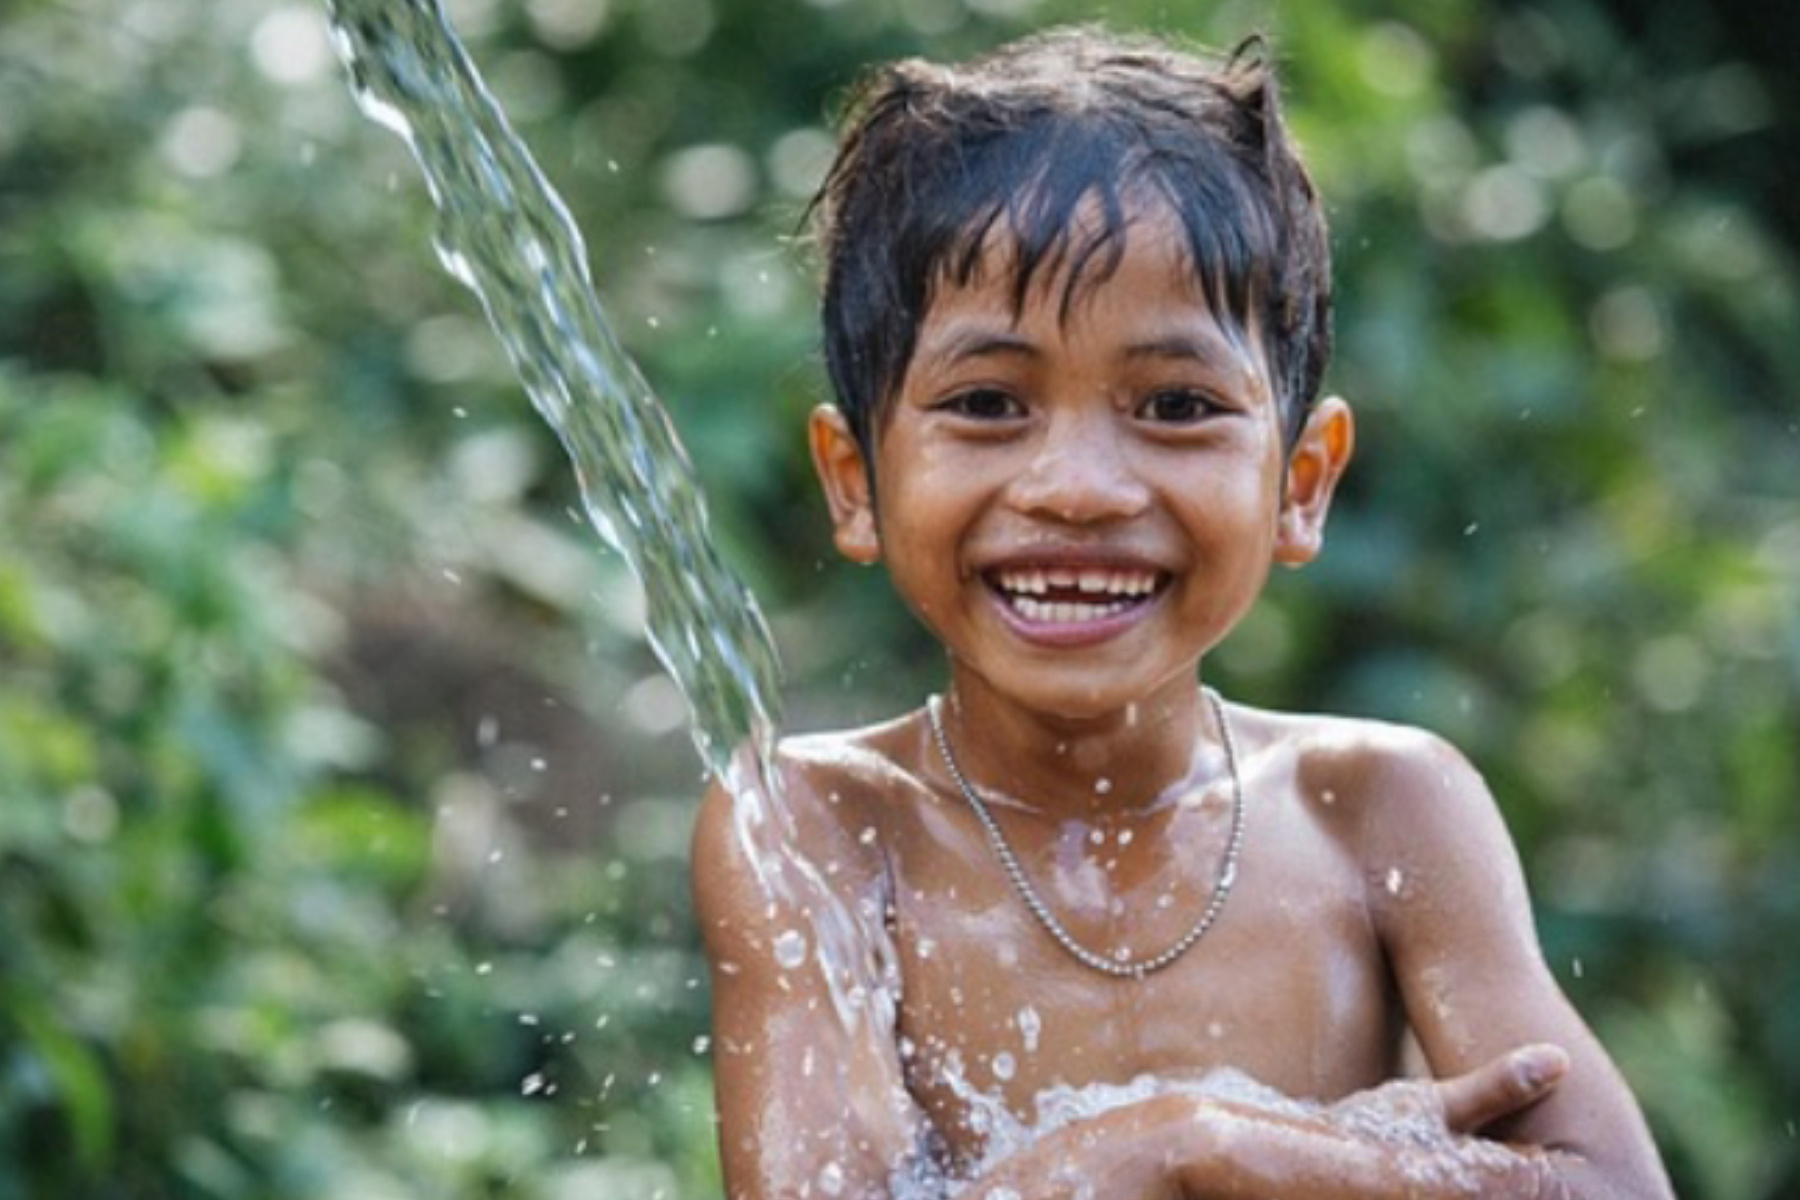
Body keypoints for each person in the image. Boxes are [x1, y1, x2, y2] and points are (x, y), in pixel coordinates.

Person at [690, 24, 1673, 1200]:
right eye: (990, 401)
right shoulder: (821, 831)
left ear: (1300, 485)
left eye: (1175, 404)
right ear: (857, 483)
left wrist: (1220, 1147)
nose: (1078, 486)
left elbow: (1613, 1187)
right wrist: (1176, 1147)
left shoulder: (1374, 811)